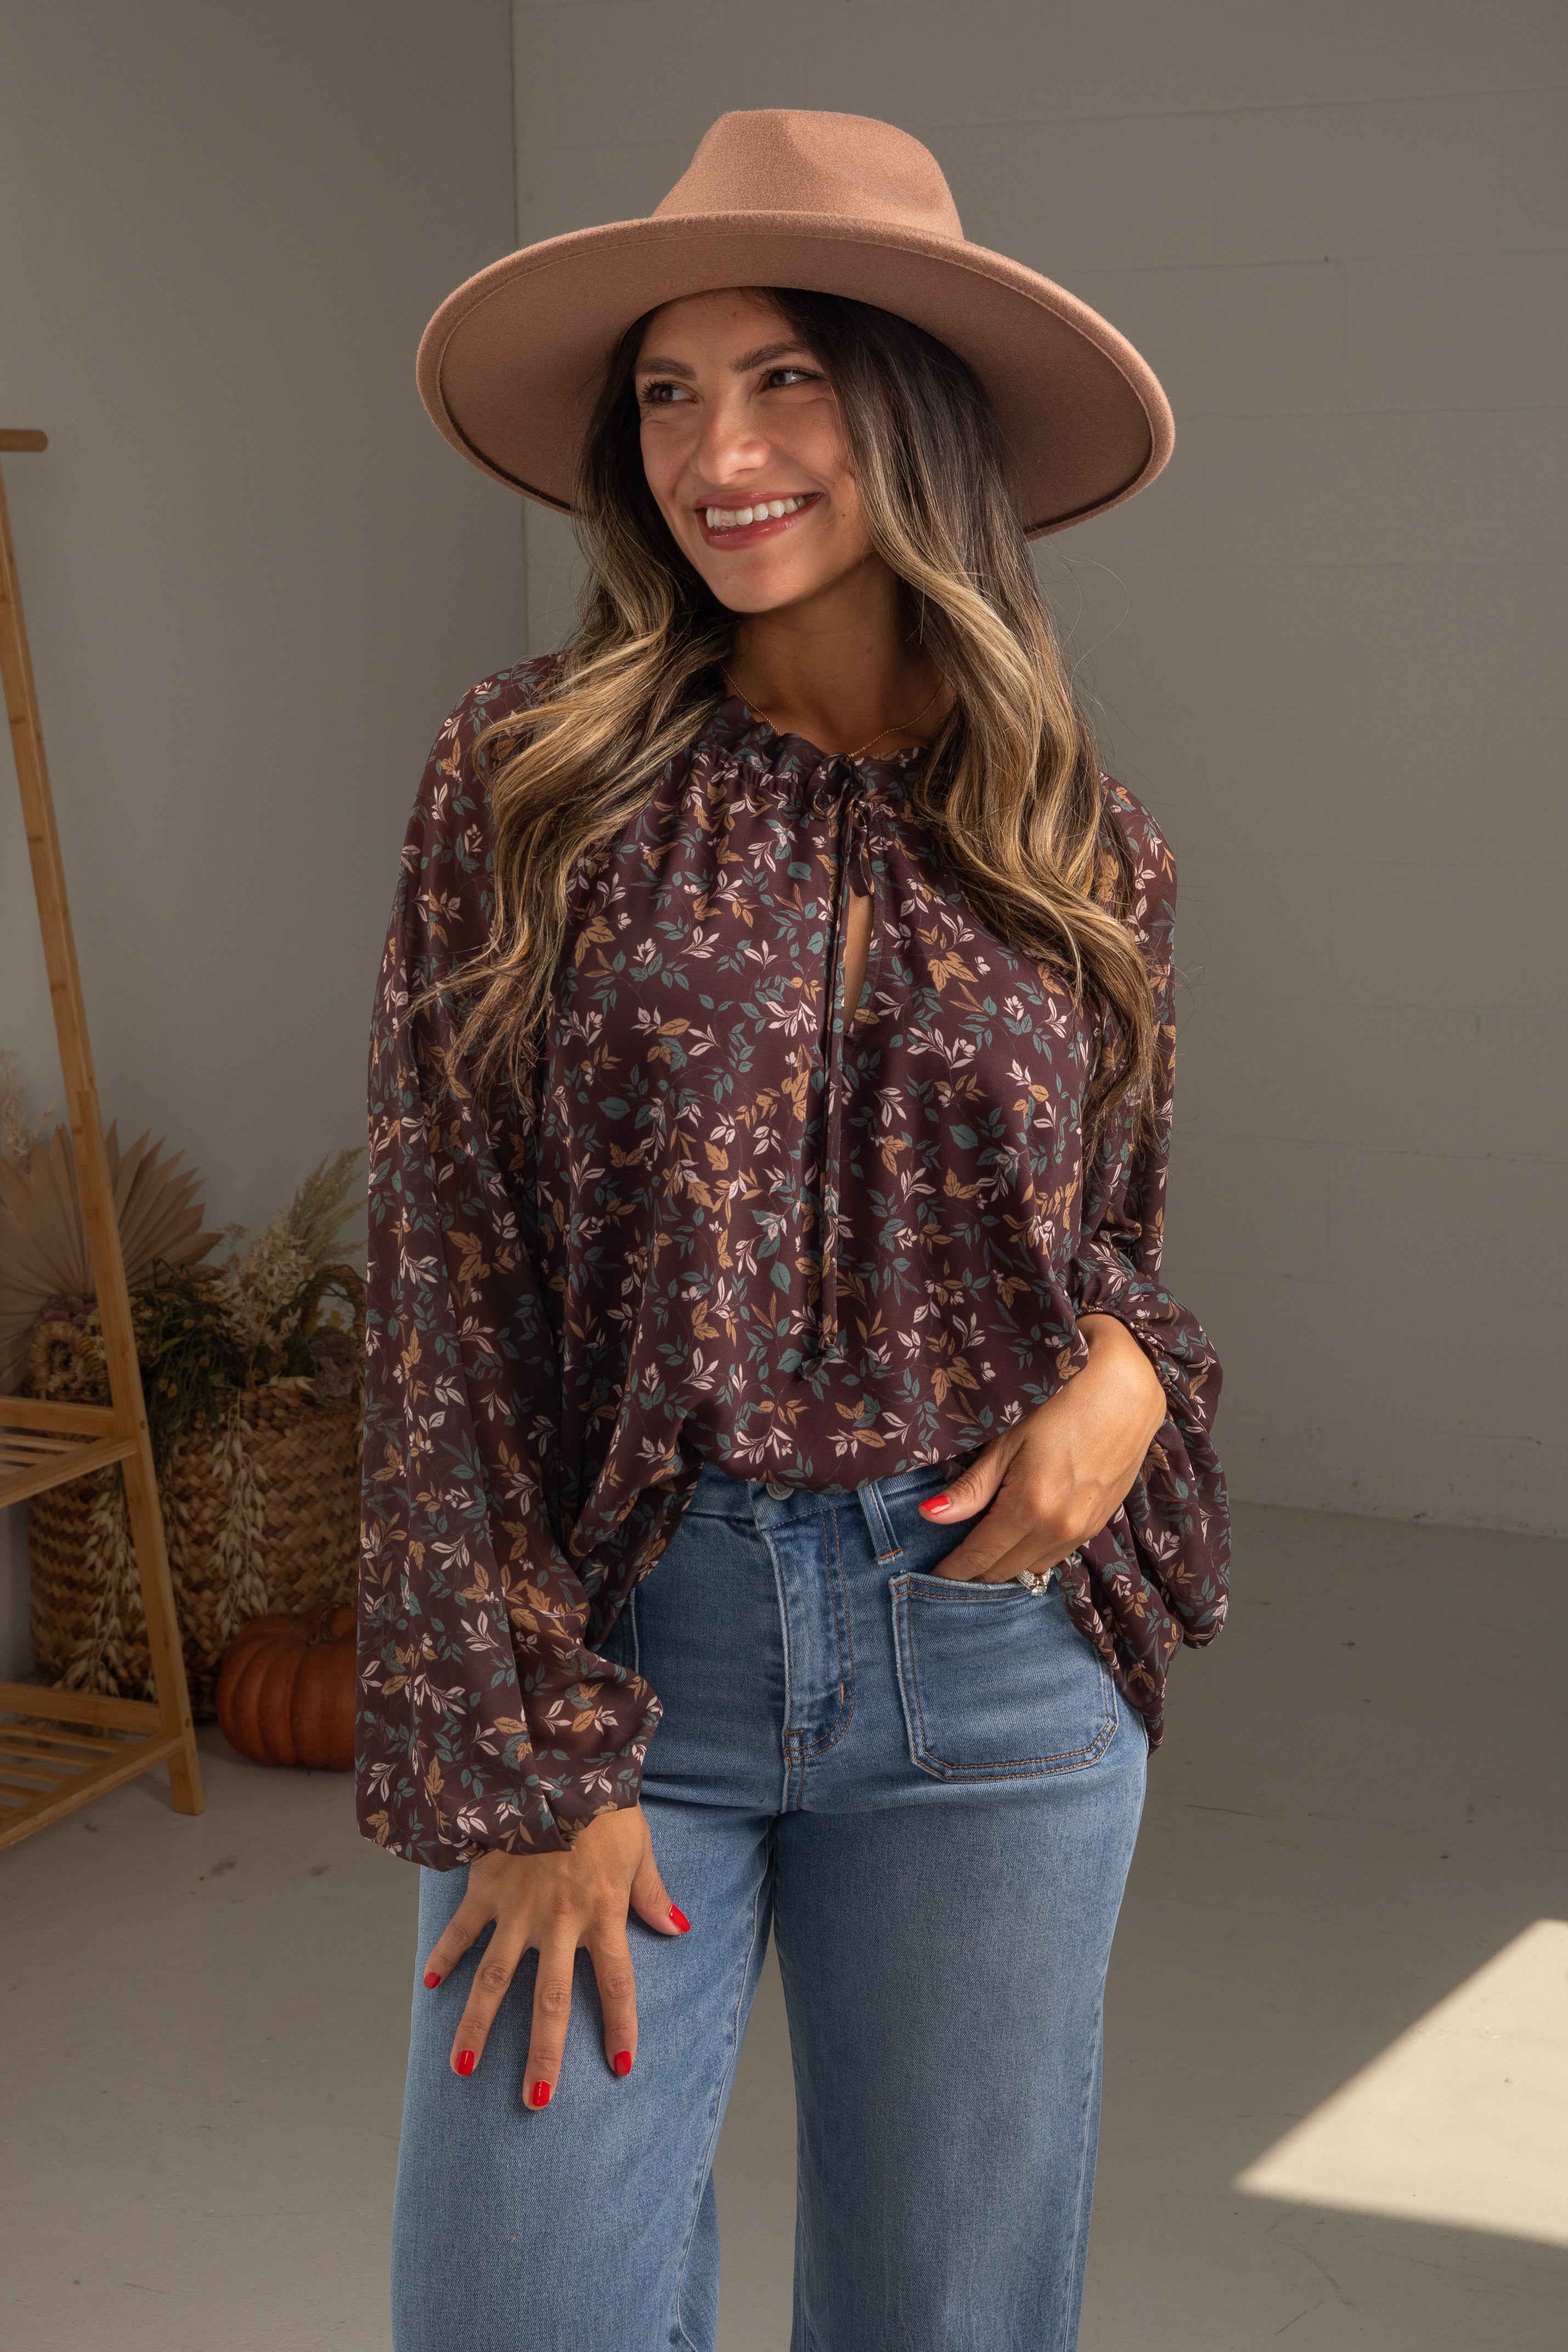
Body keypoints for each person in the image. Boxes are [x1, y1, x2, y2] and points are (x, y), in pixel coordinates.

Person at [359, 108, 1230, 2352]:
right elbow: (447, 1275)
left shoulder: (1072, 829)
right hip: (643, 1649)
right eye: (664, 389)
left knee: (948, 2319)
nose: (711, 449)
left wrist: (1134, 1366)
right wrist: (535, 1752)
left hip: (998, 1675)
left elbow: (1102, 1237)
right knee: (512, 2307)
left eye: (783, 379)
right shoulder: (527, 775)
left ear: (912, 413)